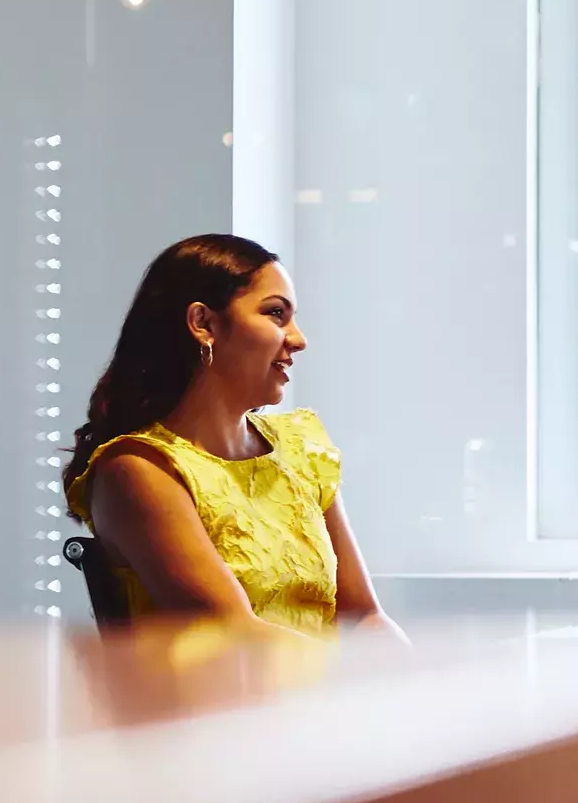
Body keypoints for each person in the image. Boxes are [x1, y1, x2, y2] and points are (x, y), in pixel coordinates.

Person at [65, 235, 396, 641]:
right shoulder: (138, 469)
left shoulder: (299, 446)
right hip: (230, 705)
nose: (298, 338)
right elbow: (235, 638)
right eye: (276, 314)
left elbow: (363, 616)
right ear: (203, 324)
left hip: (329, 699)